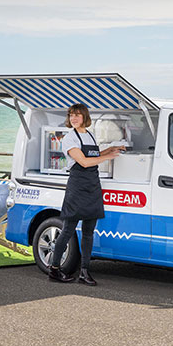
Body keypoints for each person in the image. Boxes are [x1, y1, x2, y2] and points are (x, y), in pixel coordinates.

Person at [48, 103, 124, 286]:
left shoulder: (89, 134)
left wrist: (112, 149)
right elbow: (83, 162)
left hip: (92, 185)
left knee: (89, 232)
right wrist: (107, 158)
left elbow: (93, 154)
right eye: (71, 115)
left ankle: (84, 271)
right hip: (77, 185)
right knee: (67, 230)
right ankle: (54, 269)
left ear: (84, 117)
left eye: (77, 115)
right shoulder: (69, 138)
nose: (73, 118)